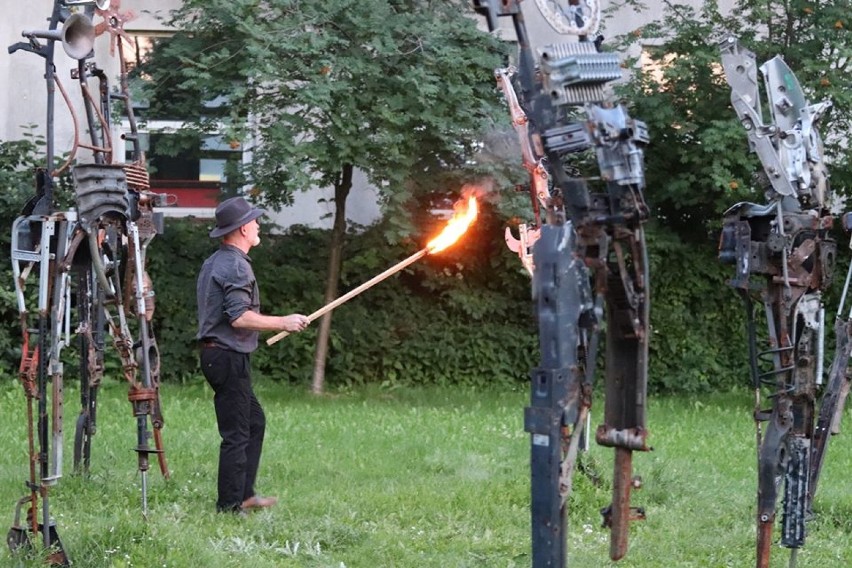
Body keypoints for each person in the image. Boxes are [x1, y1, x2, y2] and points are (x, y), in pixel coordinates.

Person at [196, 196, 309, 514]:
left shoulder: (217, 261)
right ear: (244, 228)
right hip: (226, 356)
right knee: (236, 432)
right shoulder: (234, 265)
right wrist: (282, 322)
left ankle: (244, 494)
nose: (259, 225)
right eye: (255, 221)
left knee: (253, 422)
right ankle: (230, 505)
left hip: (221, 356)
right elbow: (239, 317)